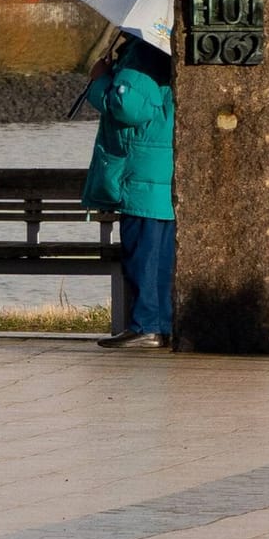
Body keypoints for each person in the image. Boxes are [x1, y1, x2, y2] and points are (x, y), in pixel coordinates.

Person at [80, 35, 176, 349]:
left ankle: (146, 325)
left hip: (140, 175)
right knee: (159, 258)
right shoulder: (164, 54)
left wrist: (99, 81)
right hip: (159, 173)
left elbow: (127, 107)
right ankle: (162, 325)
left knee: (141, 256)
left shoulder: (142, 57)